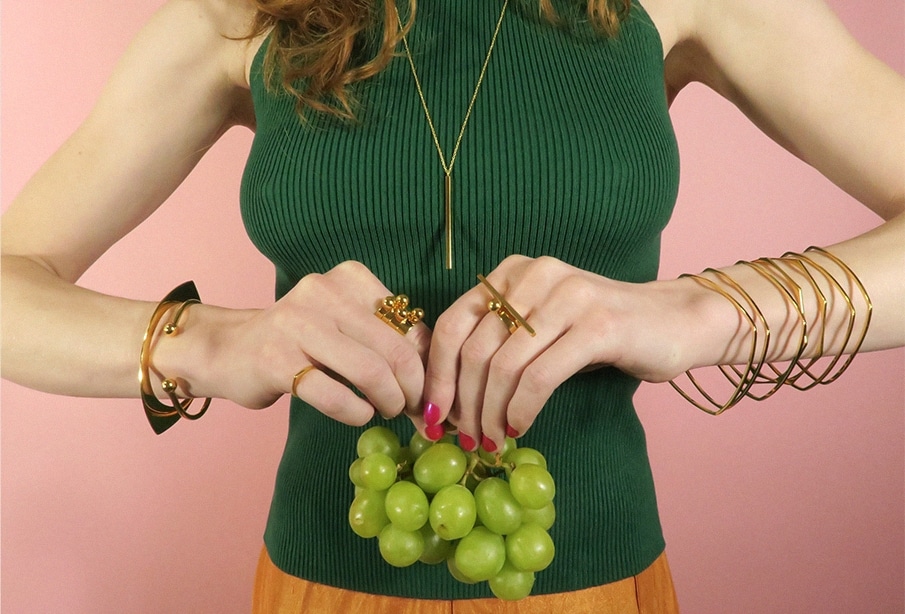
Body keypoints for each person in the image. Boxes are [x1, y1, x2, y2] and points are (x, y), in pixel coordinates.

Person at [2, 0, 902, 611]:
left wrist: (696, 313)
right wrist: (210, 343)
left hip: (594, 588)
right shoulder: (240, 16)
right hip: (323, 586)